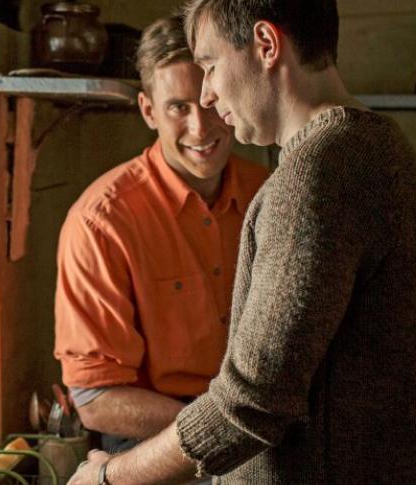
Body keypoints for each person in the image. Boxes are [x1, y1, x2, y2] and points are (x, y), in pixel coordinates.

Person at [68, 0, 416, 483]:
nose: (206, 95)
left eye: (209, 65)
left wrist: (110, 476)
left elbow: (250, 403)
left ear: (266, 45)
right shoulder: (376, 147)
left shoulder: (315, 178)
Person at [52, 15, 270, 456]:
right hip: (153, 438)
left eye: (210, 102)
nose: (201, 128)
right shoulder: (101, 222)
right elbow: (95, 400)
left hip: (262, 428)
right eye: (178, 108)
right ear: (148, 110)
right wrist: (227, 430)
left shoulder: (270, 194)